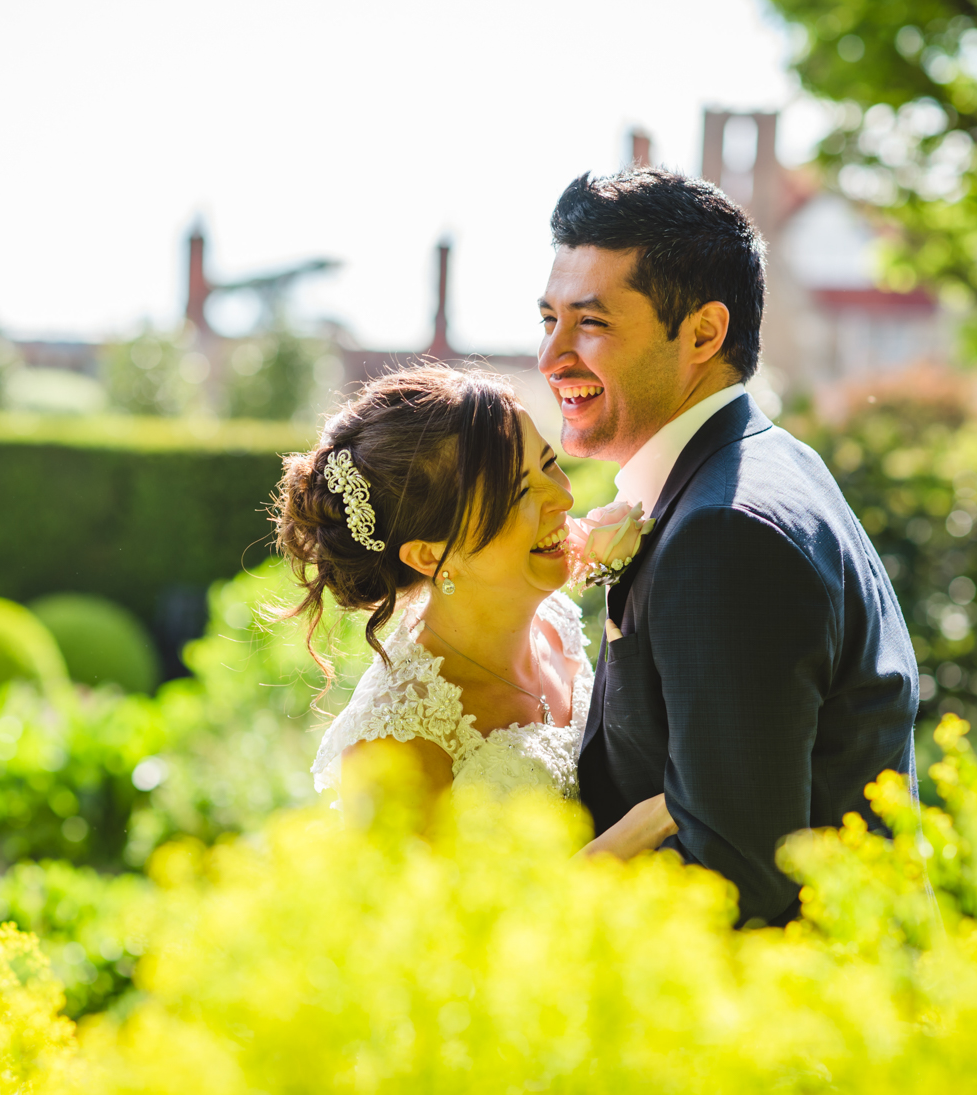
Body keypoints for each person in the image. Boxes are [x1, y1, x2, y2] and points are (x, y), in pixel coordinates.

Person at [538, 168, 919, 926]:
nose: (552, 356)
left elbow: (734, 885)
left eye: (591, 323)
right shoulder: (762, 465)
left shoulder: (726, 531)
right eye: (547, 317)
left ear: (704, 333)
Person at [276, 365, 675, 860]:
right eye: (518, 494)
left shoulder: (556, 621)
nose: (563, 497)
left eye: (547, 463)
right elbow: (425, 935)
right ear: (427, 555)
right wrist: (626, 842)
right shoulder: (395, 742)